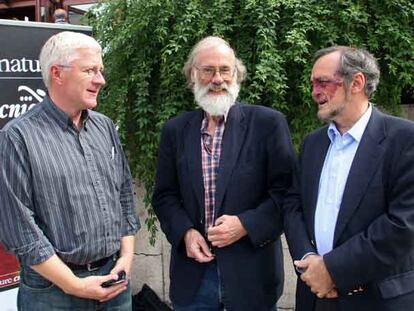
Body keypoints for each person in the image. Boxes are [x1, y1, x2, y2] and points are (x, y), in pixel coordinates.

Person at [152, 36, 295, 311]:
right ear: (193, 75)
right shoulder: (175, 131)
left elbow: (287, 194)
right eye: (207, 70)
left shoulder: (268, 124)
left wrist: (245, 224)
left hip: (251, 277)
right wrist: (185, 233)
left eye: (224, 70)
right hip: (193, 276)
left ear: (236, 74)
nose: (217, 79)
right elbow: (165, 196)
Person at [0, 31, 140, 310]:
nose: (101, 80)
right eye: (90, 70)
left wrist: (125, 260)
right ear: (57, 73)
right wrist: (73, 285)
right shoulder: (17, 137)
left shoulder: (104, 127)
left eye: (100, 70)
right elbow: (19, 228)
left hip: (115, 283)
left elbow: (124, 194)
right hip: (52, 294)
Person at [283, 46, 414, 311]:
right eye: (312, 84)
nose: (314, 92)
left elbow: (403, 223)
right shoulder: (313, 143)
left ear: (356, 82)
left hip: (376, 300)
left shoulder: (404, 139)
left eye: (322, 82)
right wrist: (309, 261)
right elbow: (293, 205)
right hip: (313, 296)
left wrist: (332, 269)